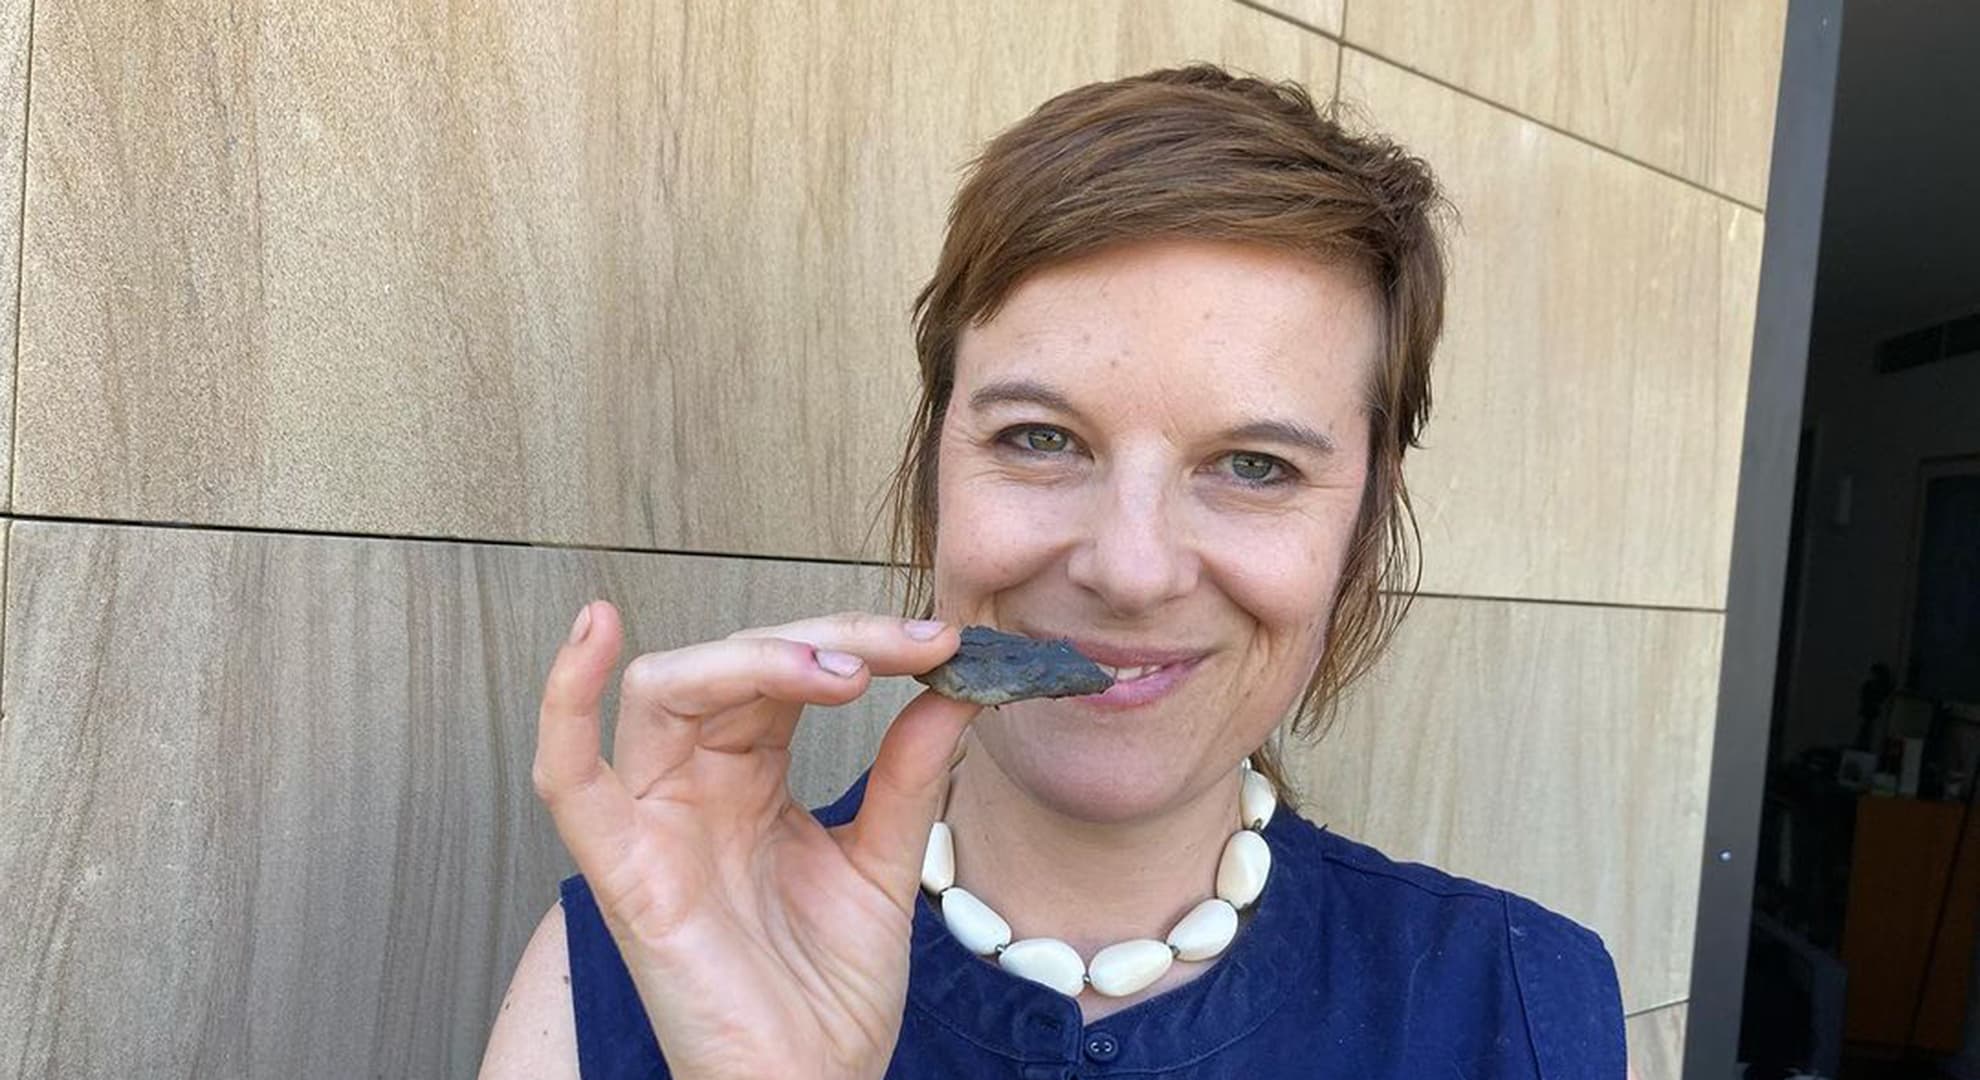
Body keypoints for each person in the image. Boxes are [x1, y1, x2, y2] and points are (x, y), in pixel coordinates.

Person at [481, 64, 1634, 1078]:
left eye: (1253, 464)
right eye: (1042, 439)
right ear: (935, 467)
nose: (1130, 569)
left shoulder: (1523, 1005)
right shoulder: (626, 968)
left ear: (1361, 532)